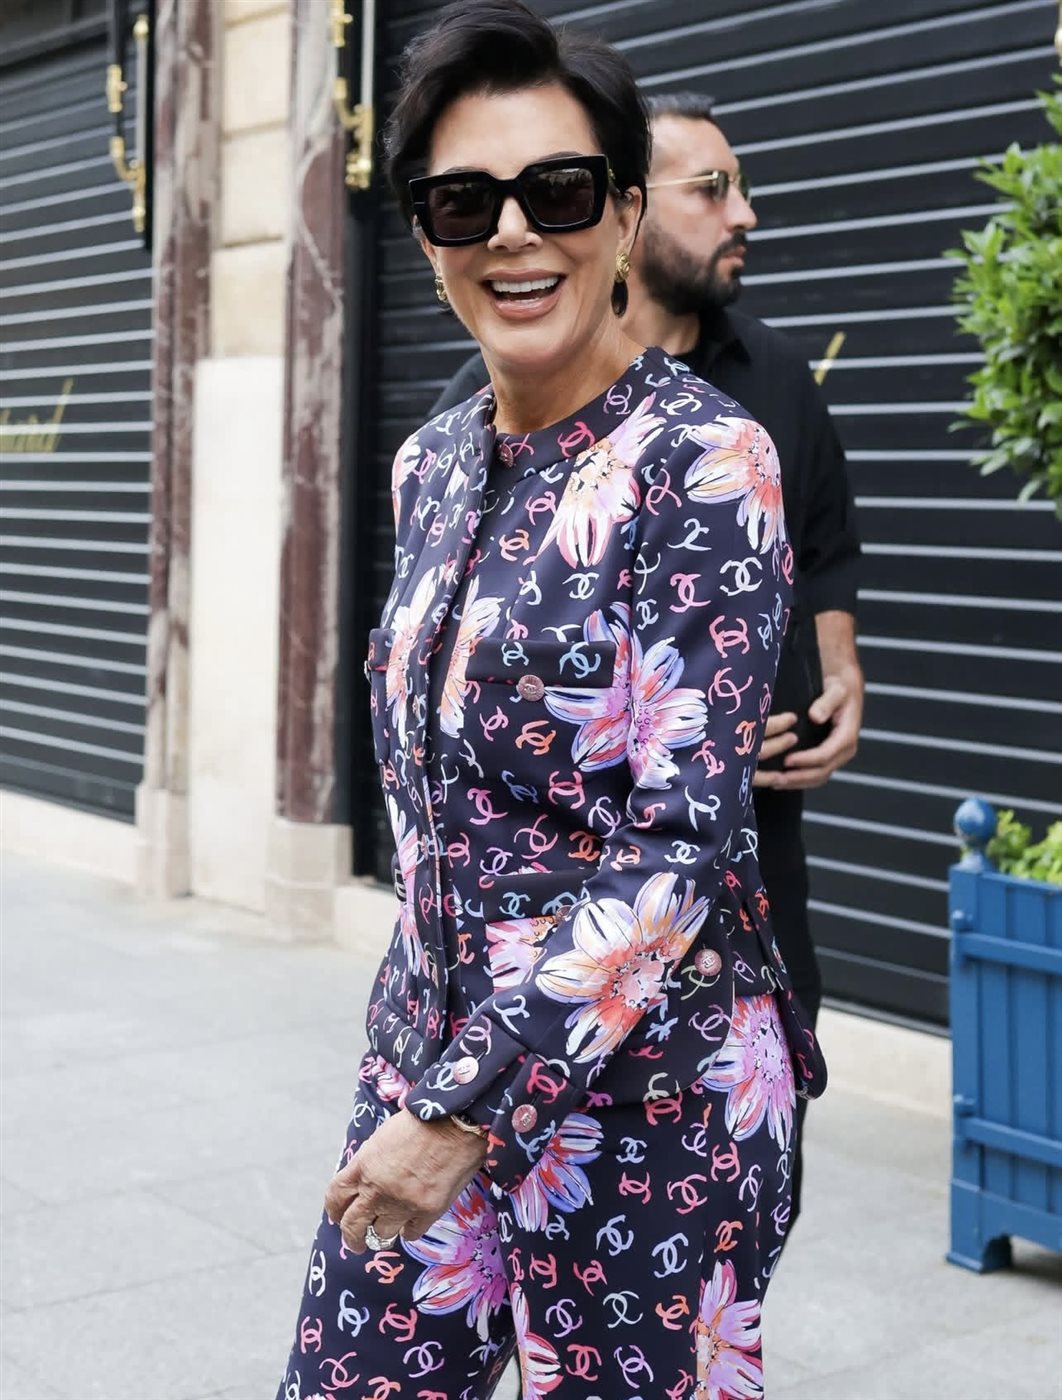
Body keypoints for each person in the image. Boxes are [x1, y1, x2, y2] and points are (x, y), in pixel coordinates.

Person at [276, 6, 826, 1397]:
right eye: (465, 201)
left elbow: (679, 841)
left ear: (624, 214)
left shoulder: (707, 462)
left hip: (655, 1104)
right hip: (431, 1069)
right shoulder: (428, 464)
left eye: (559, 191)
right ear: (425, 236)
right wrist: (424, 1073)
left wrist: (468, 1107)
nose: (513, 232)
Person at [433, 91, 863, 1239]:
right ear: (629, 209)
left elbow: (827, 547)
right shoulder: (461, 432)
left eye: (740, 187)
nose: (744, 214)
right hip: (524, 952)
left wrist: (839, 680)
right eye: (712, 188)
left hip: (743, 880)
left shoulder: (767, 384)